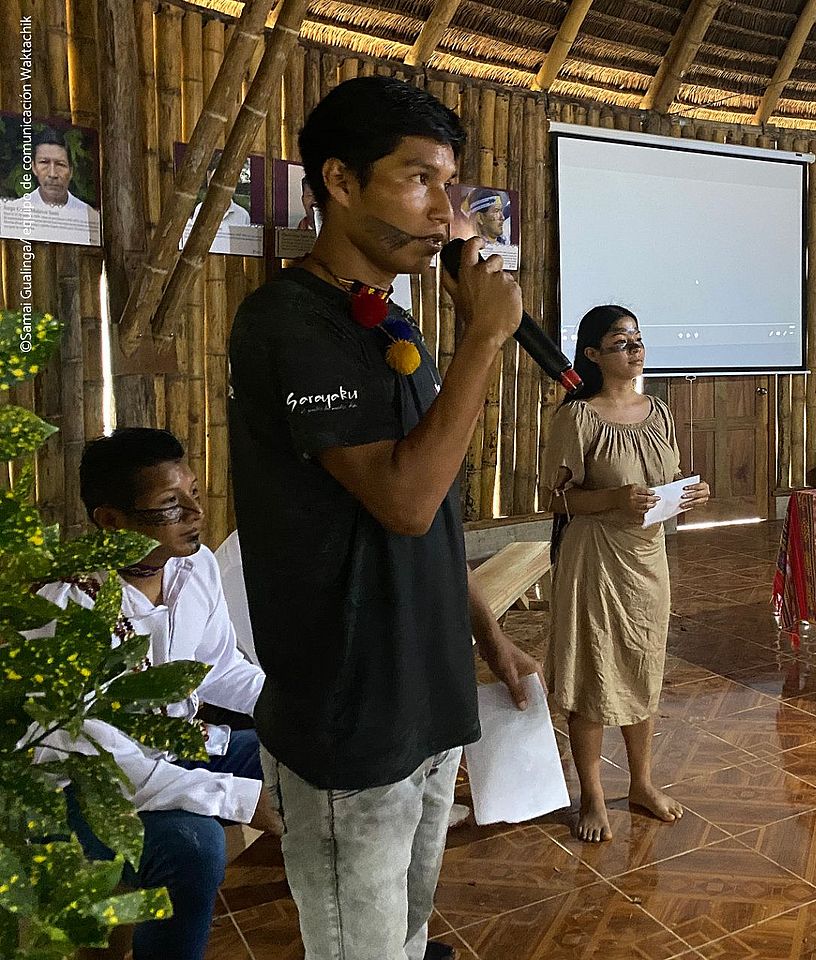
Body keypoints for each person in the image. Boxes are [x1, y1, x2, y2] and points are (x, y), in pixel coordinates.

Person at [227, 76, 538, 960]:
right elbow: (402, 501)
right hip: (351, 713)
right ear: (340, 180)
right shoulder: (288, 322)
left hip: (426, 692)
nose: (446, 213)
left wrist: (484, 634)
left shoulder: (387, 318)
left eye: (454, 187)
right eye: (419, 180)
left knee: (407, 933)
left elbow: (430, 510)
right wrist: (484, 336)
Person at [32, 428, 274, 960]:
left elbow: (218, 669)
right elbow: (113, 764)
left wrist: (297, 714)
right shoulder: (68, 609)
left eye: (191, 490)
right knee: (192, 847)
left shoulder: (194, 565)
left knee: (295, 754)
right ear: (111, 521)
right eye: (170, 504)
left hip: (173, 747)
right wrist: (240, 798)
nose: (195, 511)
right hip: (81, 785)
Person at [544, 305, 711, 843]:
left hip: (648, 561)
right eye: (621, 342)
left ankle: (642, 783)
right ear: (592, 355)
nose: (635, 349)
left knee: (643, 666)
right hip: (595, 560)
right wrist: (613, 498)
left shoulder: (657, 410)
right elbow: (556, 500)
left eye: (638, 339)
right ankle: (592, 795)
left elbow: (666, 479)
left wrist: (688, 493)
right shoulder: (578, 416)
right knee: (594, 675)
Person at [17, 127, 102, 240]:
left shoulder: (89, 217)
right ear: (34, 167)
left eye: (60, 164)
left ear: (71, 171)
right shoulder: (16, 211)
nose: (52, 174)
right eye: (44, 163)